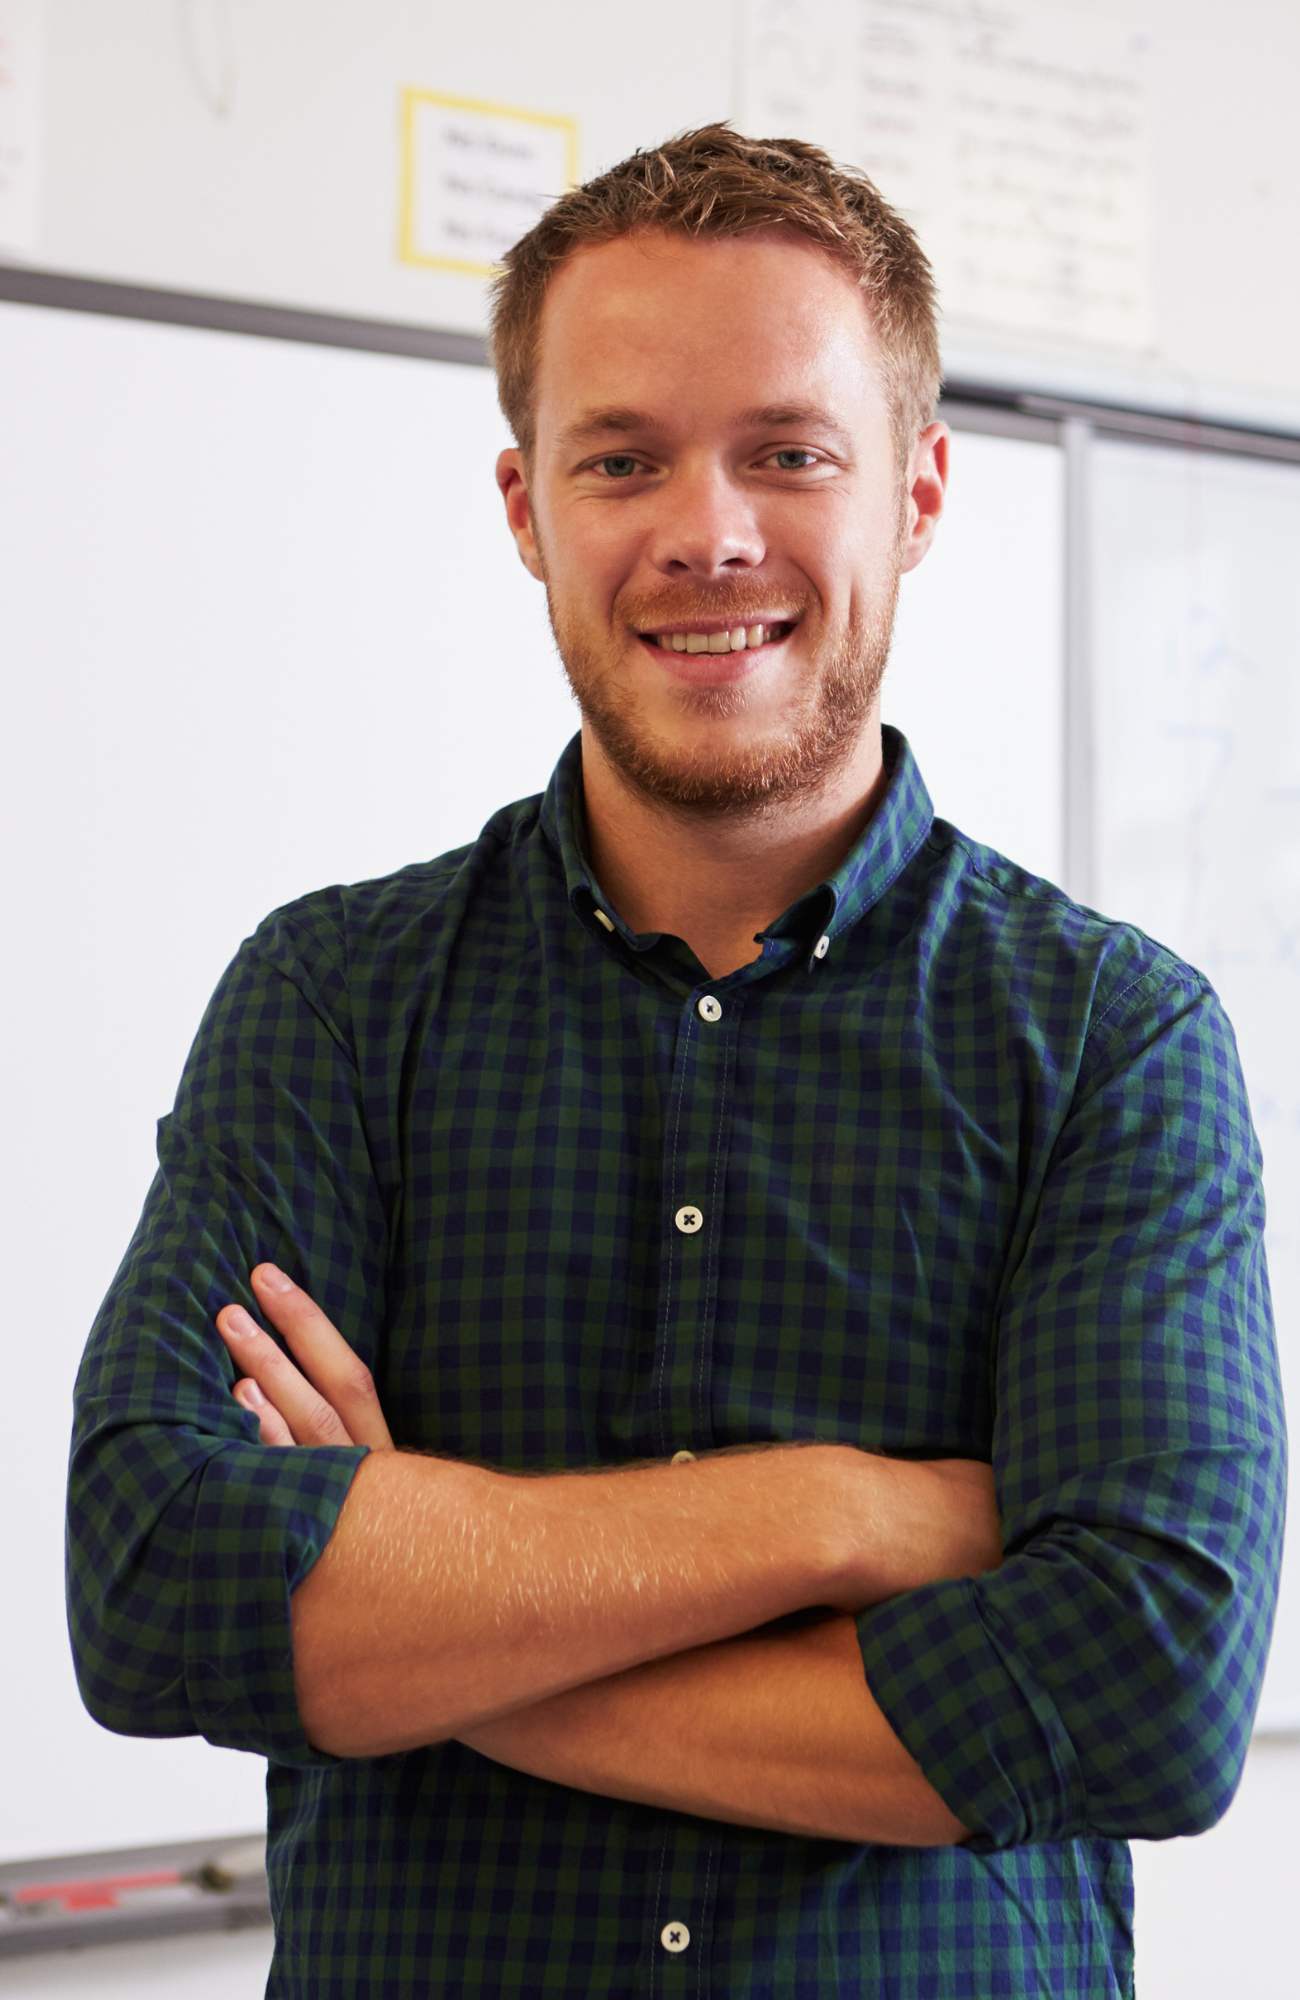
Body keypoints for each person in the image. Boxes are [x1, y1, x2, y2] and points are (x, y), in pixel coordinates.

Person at [66, 122, 1287, 1999]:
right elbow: (158, 1590)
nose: (705, 530)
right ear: (526, 507)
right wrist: (850, 1512)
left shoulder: (1114, 1042)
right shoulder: (330, 1001)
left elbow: (1140, 1699)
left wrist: (442, 1626)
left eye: (789, 453)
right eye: (621, 458)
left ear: (921, 494)